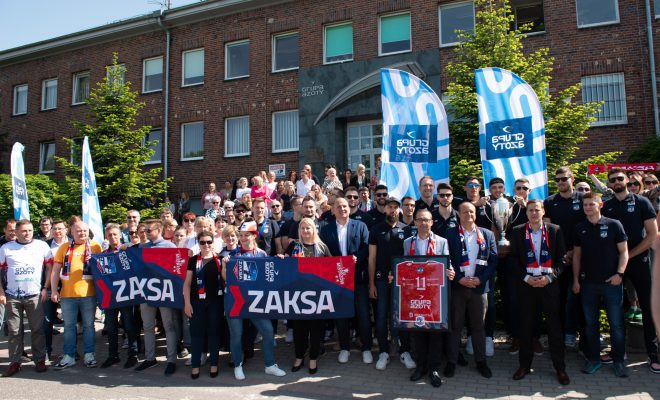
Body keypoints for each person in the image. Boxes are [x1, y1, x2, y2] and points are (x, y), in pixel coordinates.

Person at [602, 168, 659, 373]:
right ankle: (618, 351)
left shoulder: (642, 202)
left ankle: (653, 354)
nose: (616, 182)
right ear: (609, 184)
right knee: (615, 308)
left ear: (627, 180)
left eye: (620, 178)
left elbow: (652, 235)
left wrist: (629, 255)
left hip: (639, 261)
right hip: (615, 266)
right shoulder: (607, 206)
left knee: (648, 307)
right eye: (613, 180)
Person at [509, 200, 570, 385]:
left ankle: (560, 368)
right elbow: (513, 259)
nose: (534, 213)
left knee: (554, 328)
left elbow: (562, 259)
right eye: (530, 210)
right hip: (527, 285)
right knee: (526, 327)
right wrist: (526, 278)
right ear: (526, 212)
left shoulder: (555, 230)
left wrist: (550, 278)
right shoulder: (517, 231)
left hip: (548, 285)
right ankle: (524, 365)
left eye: (537, 210)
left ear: (543, 211)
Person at [573, 192, 630, 377]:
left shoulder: (614, 224)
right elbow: (577, 256)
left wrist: (619, 274)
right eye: (585, 205)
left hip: (611, 283)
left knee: (616, 324)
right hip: (588, 283)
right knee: (590, 324)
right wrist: (575, 280)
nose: (588, 207)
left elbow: (624, 252)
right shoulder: (580, 227)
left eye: (591, 204)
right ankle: (593, 359)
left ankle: (618, 361)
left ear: (600, 205)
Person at [221, 220, 286, 380]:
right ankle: (237, 365)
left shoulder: (262, 254)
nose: (243, 238)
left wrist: (279, 260)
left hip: (256, 302)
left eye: (246, 235)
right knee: (236, 335)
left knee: (268, 331)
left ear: (254, 236)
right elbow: (226, 279)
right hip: (236, 301)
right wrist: (224, 266)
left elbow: (270, 275)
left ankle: (270, 365)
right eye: (241, 235)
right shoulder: (232, 255)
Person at [444, 202, 497, 379]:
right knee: (455, 326)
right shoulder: (450, 234)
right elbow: (447, 259)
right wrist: (459, 278)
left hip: (479, 288)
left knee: (478, 327)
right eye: (465, 212)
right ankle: (451, 361)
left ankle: (481, 362)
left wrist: (480, 279)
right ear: (458, 214)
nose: (469, 215)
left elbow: (493, 261)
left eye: (472, 212)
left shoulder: (487, 234)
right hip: (458, 287)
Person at [403, 209, 455, 387]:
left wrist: (450, 271)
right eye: (420, 220)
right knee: (418, 332)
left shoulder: (442, 241)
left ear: (432, 222)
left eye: (427, 220)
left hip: (434, 295)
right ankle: (421, 366)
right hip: (416, 294)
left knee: (435, 333)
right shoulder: (407, 243)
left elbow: (447, 263)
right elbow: (404, 266)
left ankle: (433, 368)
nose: (423, 223)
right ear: (415, 222)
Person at [319, 197, 370, 364]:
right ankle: (345, 348)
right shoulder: (326, 229)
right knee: (341, 315)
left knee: (363, 314)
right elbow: (323, 252)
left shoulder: (360, 226)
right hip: (337, 279)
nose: (342, 209)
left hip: (357, 277)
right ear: (333, 210)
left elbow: (366, 247)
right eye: (338, 206)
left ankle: (366, 348)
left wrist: (357, 258)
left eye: (345, 206)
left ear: (349, 208)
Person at [368, 196, 415, 371]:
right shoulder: (375, 229)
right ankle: (383, 352)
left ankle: (404, 351)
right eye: (390, 207)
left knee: (402, 317)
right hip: (380, 280)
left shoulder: (407, 230)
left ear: (399, 209)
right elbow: (372, 258)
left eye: (396, 207)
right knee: (381, 317)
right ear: (385, 209)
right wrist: (371, 284)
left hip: (402, 282)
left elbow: (410, 258)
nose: (393, 210)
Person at [0, 219, 50, 376]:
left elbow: (50, 267)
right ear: (16, 232)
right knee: (14, 331)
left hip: (34, 295)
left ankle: (39, 360)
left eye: (30, 230)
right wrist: (1, 292)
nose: (27, 233)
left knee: (37, 329)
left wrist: (45, 288)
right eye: (23, 231)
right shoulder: (6, 248)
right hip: (12, 296)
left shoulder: (42, 246)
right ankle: (15, 362)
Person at [543, 167, 586, 351]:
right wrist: (563, 254)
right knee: (557, 299)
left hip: (581, 256)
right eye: (557, 179)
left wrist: (575, 252)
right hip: (558, 259)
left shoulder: (583, 198)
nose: (560, 182)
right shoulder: (549, 201)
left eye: (564, 178)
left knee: (580, 299)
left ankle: (583, 341)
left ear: (572, 178)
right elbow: (547, 231)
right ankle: (558, 338)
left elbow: (589, 225)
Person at [50, 221, 103, 369]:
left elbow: (103, 270)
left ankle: (89, 354)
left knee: (89, 326)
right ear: (72, 232)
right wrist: (54, 290)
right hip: (67, 295)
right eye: (78, 231)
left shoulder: (95, 246)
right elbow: (55, 271)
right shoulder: (64, 247)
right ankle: (69, 355)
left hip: (89, 294)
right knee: (69, 327)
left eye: (85, 230)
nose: (82, 233)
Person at [286, 218, 332, 374]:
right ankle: (299, 356)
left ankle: (313, 358)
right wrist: (281, 258)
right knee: (299, 329)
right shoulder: (293, 246)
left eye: (308, 228)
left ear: (314, 229)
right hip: (297, 296)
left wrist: (350, 261)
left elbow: (333, 267)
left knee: (316, 329)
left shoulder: (322, 247)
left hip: (317, 296)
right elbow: (283, 265)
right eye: (303, 228)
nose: (305, 231)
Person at [135, 219, 180, 376]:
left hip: (164, 292)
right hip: (147, 291)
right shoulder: (142, 247)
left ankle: (171, 360)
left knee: (168, 326)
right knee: (147, 326)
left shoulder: (170, 246)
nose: (145, 233)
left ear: (159, 230)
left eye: (149, 230)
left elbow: (176, 269)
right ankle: (150, 358)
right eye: (144, 230)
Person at [183, 230, 222, 379]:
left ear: (213, 242)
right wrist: (187, 303)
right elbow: (187, 284)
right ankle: (195, 364)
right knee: (196, 334)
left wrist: (226, 264)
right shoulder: (193, 260)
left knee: (214, 333)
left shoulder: (220, 259)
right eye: (202, 242)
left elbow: (225, 279)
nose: (206, 245)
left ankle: (214, 363)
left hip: (215, 302)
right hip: (196, 302)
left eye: (209, 242)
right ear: (198, 244)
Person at [100, 223, 139, 369]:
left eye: (115, 234)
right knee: (111, 327)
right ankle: (113, 355)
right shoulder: (103, 255)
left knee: (129, 325)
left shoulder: (127, 250)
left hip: (126, 295)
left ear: (120, 235)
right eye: (109, 235)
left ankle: (133, 354)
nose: (112, 237)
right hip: (110, 296)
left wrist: (128, 247)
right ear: (106, 236)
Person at [44, 219, 69, 359]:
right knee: (47, 321)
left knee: (69, 322)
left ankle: (70, 351)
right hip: (50, 286)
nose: (57, 231)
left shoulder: (73, 243)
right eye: (54, 229)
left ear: (66, 230)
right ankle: (46, 351)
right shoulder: (44, 245)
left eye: (60, 228)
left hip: (69, 285)